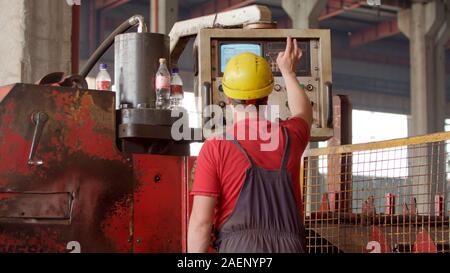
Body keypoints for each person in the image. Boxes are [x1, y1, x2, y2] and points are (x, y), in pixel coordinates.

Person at [188, 37, 312, 253]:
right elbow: (304, 113)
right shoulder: (291, 136)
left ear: (227, 97)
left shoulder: (216, 147)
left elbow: (201, 223)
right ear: (268, 94)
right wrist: (288, 72)